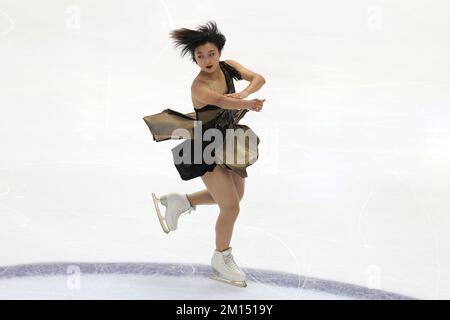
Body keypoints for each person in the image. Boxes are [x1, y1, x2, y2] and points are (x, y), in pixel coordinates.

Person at [143, 21, 266, 287]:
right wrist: (247, 103)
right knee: (230, 206)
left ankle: (181, 201)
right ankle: (222, 257)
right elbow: (223, 101)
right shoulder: (199, 87)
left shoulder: (229, 66)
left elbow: (259, 79)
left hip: (230, 140)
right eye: (200, 56)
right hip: (206, 146)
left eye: (211, 53)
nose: (206, 59)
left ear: (219, 52)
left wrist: (245, 92)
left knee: (235, 197)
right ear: (195, 59)